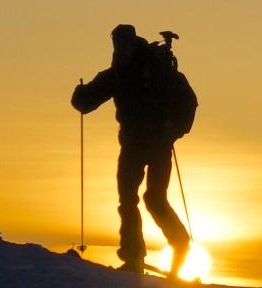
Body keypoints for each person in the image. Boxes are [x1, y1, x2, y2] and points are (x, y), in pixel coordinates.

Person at [71, 24, 197, 274]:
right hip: (135, 144)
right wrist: (81, 96)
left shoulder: (156, 70)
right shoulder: (118, 74)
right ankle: (135, 256)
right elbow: (86, 102)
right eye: (118, 45)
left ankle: (176, 246)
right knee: (131, 200)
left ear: (132, 43)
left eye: (124, 44)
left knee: (153, 199)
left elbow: (188, 102)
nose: (121, 49)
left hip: (158, 143)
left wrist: (174, 131)